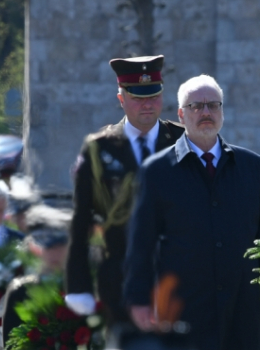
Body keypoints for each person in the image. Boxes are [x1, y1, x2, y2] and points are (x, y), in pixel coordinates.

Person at [123, 75, 260, 350]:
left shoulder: (253, 167)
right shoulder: (157, 172)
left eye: (213, 105)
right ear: (181, 115)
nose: (206, 112)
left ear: (222, 112)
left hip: (241, 306)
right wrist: (139, 298)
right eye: (196, 106)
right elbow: (141, 242)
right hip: (183, 308)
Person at [65, 55, 186, 329]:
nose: (147, 105)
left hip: (175, 276)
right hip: (119, 277)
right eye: (138, 98)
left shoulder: (182, 140)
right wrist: (78, 285)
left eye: (154, 96)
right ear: (121, 99)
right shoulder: (99, 148)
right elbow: (81, 220)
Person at [0, 207, 72, 339]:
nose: (55, 253)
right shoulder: (20, 291)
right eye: (48, 246)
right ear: (35, 247)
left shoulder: (78, 288)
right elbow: (10, 343)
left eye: (60, 246)